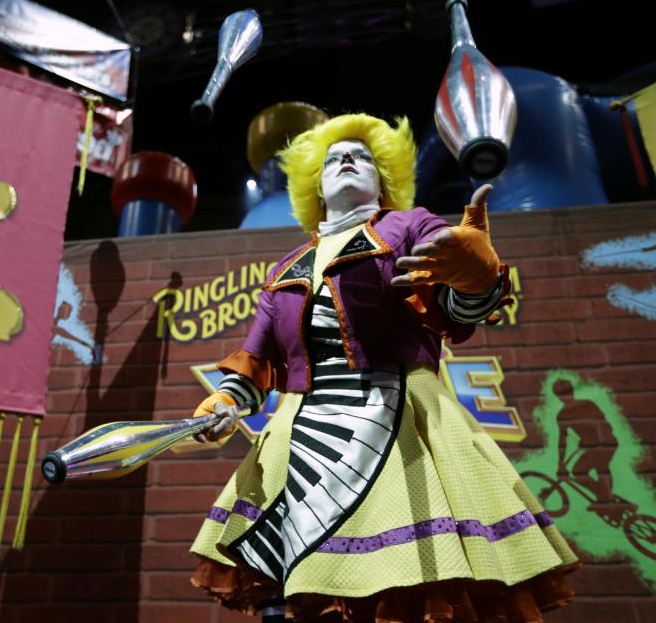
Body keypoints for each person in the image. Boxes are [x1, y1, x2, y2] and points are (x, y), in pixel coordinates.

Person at [189, 114, 578, 622]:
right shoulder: (284, 269)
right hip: (303, 437)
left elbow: (455, 308)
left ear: (384, 176)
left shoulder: (411, 224)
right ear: (314, 185)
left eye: (362, 156)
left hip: (401, 428)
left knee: (415, 590)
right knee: (310, 594)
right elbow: (256, 364)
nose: (347, 160)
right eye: (332, 158)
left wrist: (476, 280)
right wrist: (224, 401)